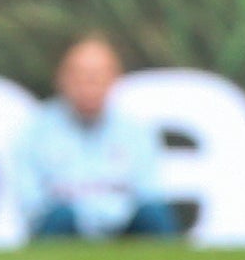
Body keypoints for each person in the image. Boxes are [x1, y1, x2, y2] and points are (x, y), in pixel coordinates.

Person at [16, 33, 179, 245]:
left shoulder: (135, 131)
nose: (89, 83)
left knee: (154, 215)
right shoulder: (36, 131)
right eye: (80, 74)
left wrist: (109, 220)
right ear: (61, 78)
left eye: (98, 75)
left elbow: (149, 194)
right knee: (59, 218)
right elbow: (33, 204)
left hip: (124, 229)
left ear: (115, 78)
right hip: (65, 231)